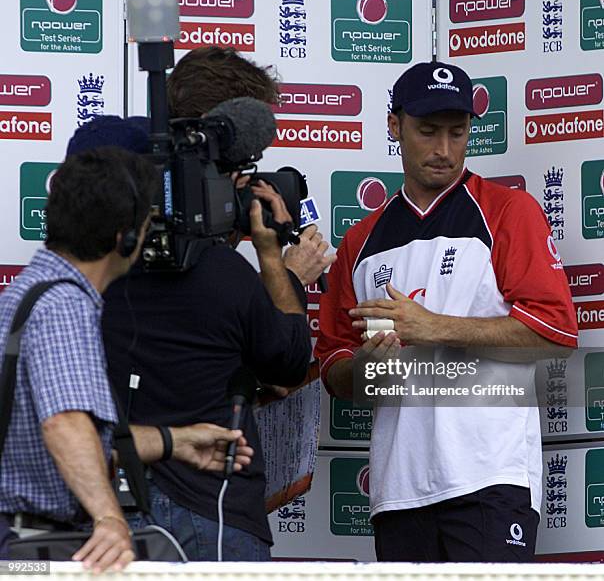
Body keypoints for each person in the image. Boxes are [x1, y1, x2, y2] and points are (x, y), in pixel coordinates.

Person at [315, 60, 578, 563]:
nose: (444, 149)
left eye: (458, 133)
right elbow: (336, 372)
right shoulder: (360, 240)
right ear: (394, 126)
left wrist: (433, 327)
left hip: (489, 477)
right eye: (427, 131)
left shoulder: (506, 211)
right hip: (398, 486)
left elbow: (557, 335)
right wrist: (371, 367)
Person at [93, 47, 334, 561]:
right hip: (211, 515)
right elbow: (287, 363)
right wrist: (277, 262)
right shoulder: (223, 275)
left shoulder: (97, 254)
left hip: (106, 508)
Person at [0, 146, 253, 571]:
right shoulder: (65, 304)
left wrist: (176, 442)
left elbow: (69, 439)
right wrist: (109, 517)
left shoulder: (30, 292)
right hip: (29, 547)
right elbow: (65, 423)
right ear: (128, 237)